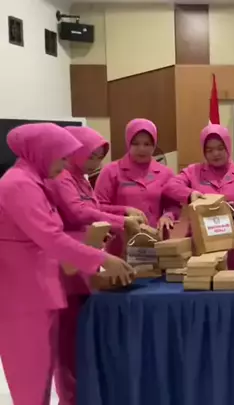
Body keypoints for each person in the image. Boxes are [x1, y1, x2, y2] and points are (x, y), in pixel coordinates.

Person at [0, 123, 133, 405]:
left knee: (43, 377)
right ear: (42, 153)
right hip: (22, 297)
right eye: (61, 158)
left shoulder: (35, 183)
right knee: (31, 384)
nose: (64, 166)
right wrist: (102, 258)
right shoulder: (18, 186)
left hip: (39, 291)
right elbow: (51, 237)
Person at [46, 126, 144, 405]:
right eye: (91, 156)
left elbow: (96, 207)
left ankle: (85, 394)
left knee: (81, 337)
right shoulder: (62, 177)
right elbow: (78, 212)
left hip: (85, 262)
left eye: (100, 157)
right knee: (66, 343)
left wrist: (122, 212)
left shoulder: (81, 177)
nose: (95, 162)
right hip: (66, 264)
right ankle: (70, 398)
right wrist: (122, 221)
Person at [164, 124, 234, 269]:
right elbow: (170, 186)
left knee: (232, 280)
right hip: (199, 244)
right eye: (209, 150)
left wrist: (233, 213)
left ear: (228, 147)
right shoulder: (193, 171)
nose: (215, 154)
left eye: (220, 148)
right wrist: (190, 195)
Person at [94, 118, 178, 256]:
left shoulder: (165, 173)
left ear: (154, 145)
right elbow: (97, 207)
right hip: (120, 246)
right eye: (136, 143)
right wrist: (125, 210)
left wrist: (168, 216)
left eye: (147, 144)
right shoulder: (111, 171)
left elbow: (174, 205)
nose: (142, 149)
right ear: (128, 143)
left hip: (155, 244)